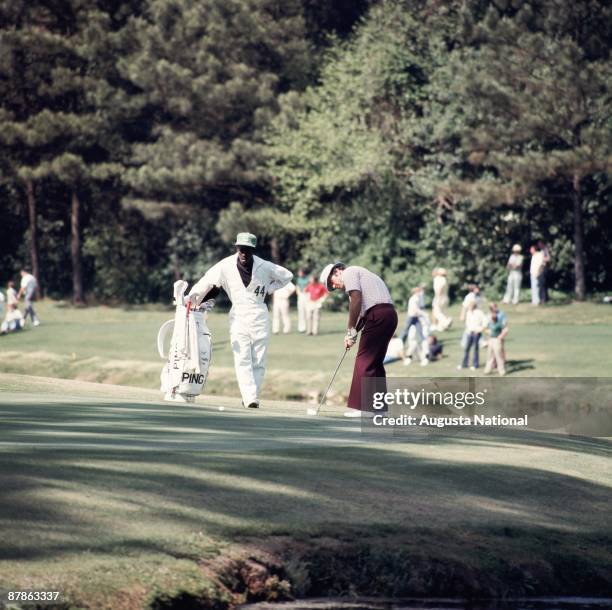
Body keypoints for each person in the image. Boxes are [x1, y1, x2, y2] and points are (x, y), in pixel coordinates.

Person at [188, 233, 293, 409]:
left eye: (248, 250)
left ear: (253, 250)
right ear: (237, 248)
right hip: (238, 314)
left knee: (258, 359)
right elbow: (206, 281)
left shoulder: (264, 266)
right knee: (242, 357)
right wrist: (190, 298)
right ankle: (250, 397)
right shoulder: (225, 265)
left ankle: (252, 397)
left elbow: (287, 276)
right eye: (241, 249)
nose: (244, 253)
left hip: (259, 313)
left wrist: (269, 289)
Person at [320, 262, 397, 417]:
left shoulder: (349, 272)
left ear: (336, 272)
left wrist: (350, 329)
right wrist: (352, 334)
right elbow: (362, 314)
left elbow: (356, 300)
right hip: (389, 315)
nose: (334, 287)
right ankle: (378, 410)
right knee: (375, 363)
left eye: (331, 283)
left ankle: (363, 409)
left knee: (364, 361)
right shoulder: (362, 275)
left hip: (378, 315)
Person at [458, 301, 487, 370]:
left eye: (470, 306)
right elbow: (467, 322)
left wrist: (480, 329)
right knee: (466, 349)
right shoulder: (468, 313)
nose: (469, 307)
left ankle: (475, 364)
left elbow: (485, 321)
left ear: (474, 306)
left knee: (475, 349)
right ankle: (464, 364)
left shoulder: (479, 312)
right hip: (469, 332)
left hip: (476, 333)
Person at [484, 304, 509, 376]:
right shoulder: (490, 324)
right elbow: (486, 329)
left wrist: (500, 336)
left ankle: (501, 370)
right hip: (491, 340)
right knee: (489, 355)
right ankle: (488, 369)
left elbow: (505, 330)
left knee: (498, 355)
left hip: (497, 340)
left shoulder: (499, 324)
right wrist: (487, 332)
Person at [295, 268, 309, 333]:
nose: (299, 274)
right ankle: (301, 328)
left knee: (307, 311)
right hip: (301, 295)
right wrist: (298, 293)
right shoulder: (298, 279)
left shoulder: (308, 278)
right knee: (301, 312)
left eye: (300, 272)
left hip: (307, 295)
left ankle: (308, 327)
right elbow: (297, 286)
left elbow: (309, 286)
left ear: (303, 273)